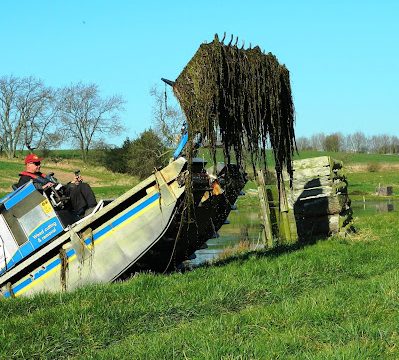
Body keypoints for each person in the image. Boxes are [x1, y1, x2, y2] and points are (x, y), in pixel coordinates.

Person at [17, 153, 97, 218]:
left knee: (83, 185)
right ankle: (81, 214)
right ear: (28, 165)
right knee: (75, 190)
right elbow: (27, 195)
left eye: (39, 163)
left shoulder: (41, 175)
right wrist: (44, 187)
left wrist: (72, 182)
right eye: (36, 164)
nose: (39, 165)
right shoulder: (24, 179)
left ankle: (93, 208)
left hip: (59, 194)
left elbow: (59, 186)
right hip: (52, 201)